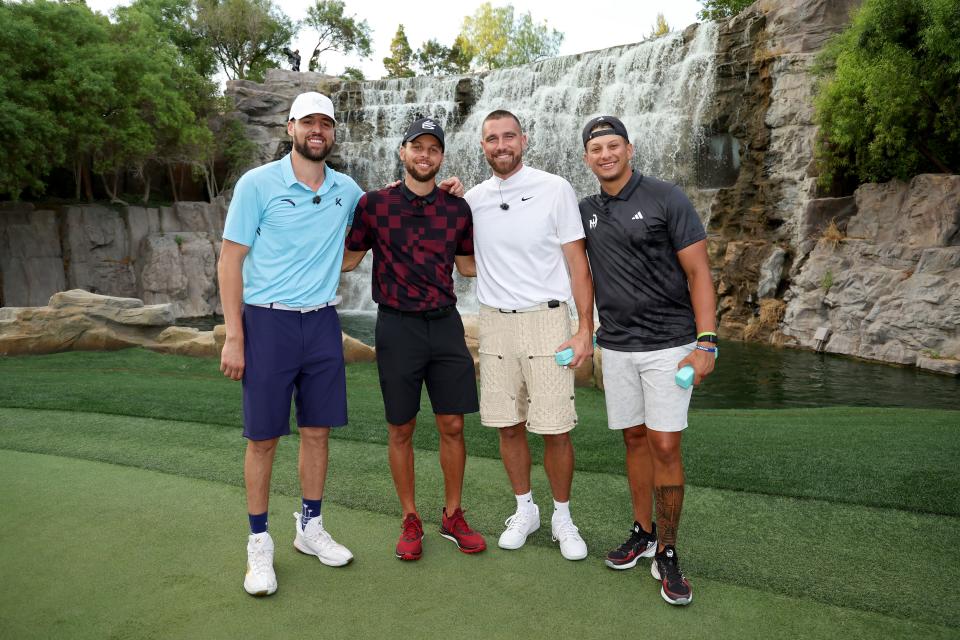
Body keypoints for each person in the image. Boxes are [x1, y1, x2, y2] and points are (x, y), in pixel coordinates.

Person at [219, 91, 361, 597]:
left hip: (321, 322)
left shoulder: (348, 189)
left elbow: (375, 226)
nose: (317, 130)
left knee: (318, 433)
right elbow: (230, 261)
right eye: (308, 122)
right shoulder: (257, 184)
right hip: (267, 323)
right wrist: (234, 335)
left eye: (326, 122)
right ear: (290, 127)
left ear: (332, 132)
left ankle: (309, 527)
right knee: (263, 439)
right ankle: (259, 543)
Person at [578, 115, 717, 606]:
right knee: (634, 438)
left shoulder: (666, 197)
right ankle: (642, 531)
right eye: (596, 149)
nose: (606, 155)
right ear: (587, 157)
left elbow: (699, 272)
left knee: (663, 444)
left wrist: (706, 341)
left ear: (629, 149)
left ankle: (669, 550)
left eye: (613, 146)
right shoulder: (585, 210)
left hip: (669, 344)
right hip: (615, 346)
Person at [341, 117, 485, 561]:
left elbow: (468, 268)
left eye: (433, 149)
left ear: (441, 158)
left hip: (445, 325)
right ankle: (409, 517)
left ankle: (453, 514)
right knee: (401, 427)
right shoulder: (373, 205)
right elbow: (347, 261)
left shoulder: (457, 209)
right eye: (416, 147)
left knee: (454, 424)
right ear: (402, 152)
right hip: (397, 326)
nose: (425, 155)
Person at [462, 110, 595, 561]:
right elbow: (464, 261)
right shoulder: (473, 199)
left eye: (508, 137)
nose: (501, 145)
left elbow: (578, 263)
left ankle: (562, 516)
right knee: (508, 424)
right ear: (483, 146)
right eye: (492, 139)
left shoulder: (554, 188)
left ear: (523, 140)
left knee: (555, 427)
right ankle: (525, 510)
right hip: (495, 323)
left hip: (547, 321)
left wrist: (584, 329)